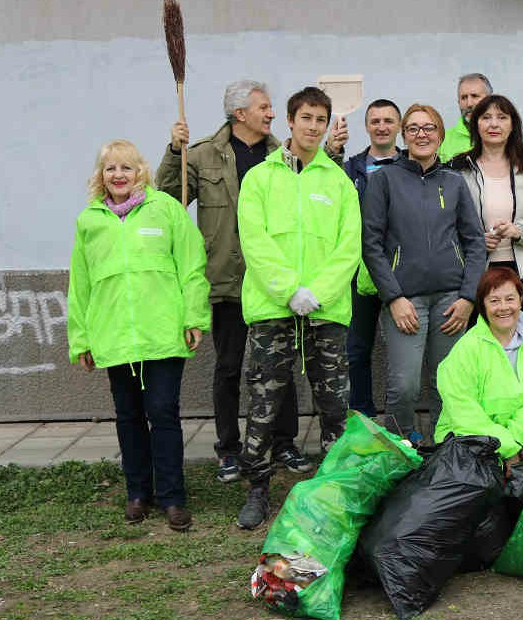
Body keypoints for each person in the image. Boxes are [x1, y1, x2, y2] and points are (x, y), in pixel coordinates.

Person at [157, 80, 311, 483]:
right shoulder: (204, 154)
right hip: (226, 277)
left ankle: (285, 443)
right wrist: (175, 153)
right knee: (228, 367)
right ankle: (229, 449)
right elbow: (168, 196)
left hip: (272, 279)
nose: (272, 113)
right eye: (264, 107)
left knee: (280, 365)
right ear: (240, 113)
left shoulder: (283, 156)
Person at [234, 87, 361, 528]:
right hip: (273, 308)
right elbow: (254, 241)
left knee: (334, 405)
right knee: (265, 402)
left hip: (325, 311)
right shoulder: (260, 178)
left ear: (327, 125)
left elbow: (349, 247)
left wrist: (317, 292)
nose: (312, 127)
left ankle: (334, 493)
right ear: (290, 120)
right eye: (305, 118)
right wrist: (289, 290)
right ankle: (256, 488)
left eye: (320, 120)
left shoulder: (338, 181)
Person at [68, 140, 210, 531]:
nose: (118, 175)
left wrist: (194, 317)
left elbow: (191, 266)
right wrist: (81, 338)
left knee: (163, 414)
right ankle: (137, 493)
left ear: (140, 172)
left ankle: (172, 497)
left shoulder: (165, 210)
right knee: (128, 416)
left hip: (162, 333)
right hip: (114, 338)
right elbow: (79, 285)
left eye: (126, 168)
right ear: (101, 175)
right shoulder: (89, 221)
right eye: (110, 168)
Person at [362, 103, 486, 444]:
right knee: (405, 385)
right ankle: (403, 447)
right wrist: (394, 297)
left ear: (440, 135)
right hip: (406, 301)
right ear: (404, 135)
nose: (422, 134)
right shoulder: (384, 180)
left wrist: (467, 298)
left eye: (429, 128)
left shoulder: (455, 183)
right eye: (414, 128)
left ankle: (448, 450)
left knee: (447, 383)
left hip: (451, 301)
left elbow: (475, 243)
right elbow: (371, 245)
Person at [434, 267, 523, 473]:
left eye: (510, 299)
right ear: (483, 304)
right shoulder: (466, 349)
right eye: (494, 301)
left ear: (520, 300)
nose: (503, 307)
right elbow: (464, 411)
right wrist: (506, 447)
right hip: (478, 436)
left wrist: (518, 437)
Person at [450, 94, 523, 325]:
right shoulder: (459, 169)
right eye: (486, 117)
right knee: (482, 352)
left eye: (502, 117)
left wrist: (519, 230)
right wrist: (474, 240)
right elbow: (445, 224)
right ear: (476, 125)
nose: (493, 124)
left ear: (513, 125)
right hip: (475, 275)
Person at [341, 99, 403, 417]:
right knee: (357, 348)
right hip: (360, 272)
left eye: (388, 121)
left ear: (399, 126)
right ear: (366, 127)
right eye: (375, 121)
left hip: (402, 272)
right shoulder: (350, 169)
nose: (381, 126)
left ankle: (398, 418)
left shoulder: (411, 165)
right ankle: (361, 414)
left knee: (402, 351)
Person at [438, 73, 491, 162]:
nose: (469, 104)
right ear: (458, 102)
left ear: (490, 99)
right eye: (464, 98)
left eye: (474, 96)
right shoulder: (442, 140)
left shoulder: (503, 136)